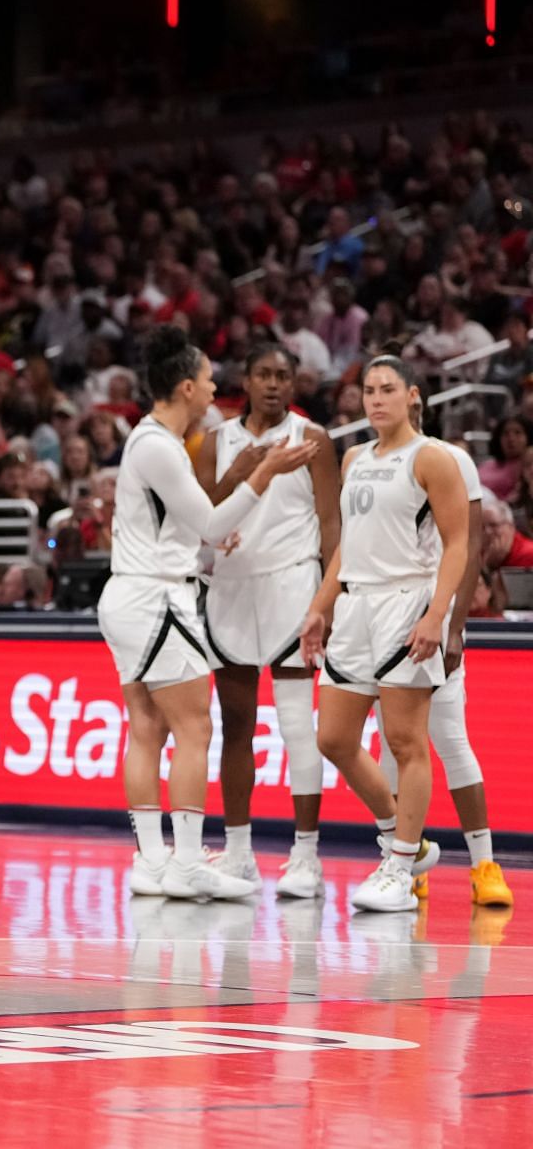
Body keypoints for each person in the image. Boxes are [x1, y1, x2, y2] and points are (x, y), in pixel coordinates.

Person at [101, 325, 314, 901]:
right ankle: (189, 862)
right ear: (186, 387)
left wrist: (211, 541)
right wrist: (262, 474)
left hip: (132, 594)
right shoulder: (158, 447)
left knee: (146, 728)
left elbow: (188, 532)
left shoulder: (151, 442)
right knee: (195, 727)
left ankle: (151, 860)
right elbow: (214, 521)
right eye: (208, 378)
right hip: (155, 599)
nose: (215, 384)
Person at [299, 356, 469, 913]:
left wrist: (435, 615)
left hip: (407, 600)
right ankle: (406, 836)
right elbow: (350, 542)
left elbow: (458, 545)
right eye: (368, 390)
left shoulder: (432, 459)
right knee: (334, 739)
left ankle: (397, 867)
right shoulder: (353, 458)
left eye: (387, 389)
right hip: (356, 604)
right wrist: (321, 607)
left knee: (405, 740)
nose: (376, 399)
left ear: (411, 395)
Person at [191, 344, 340, 898]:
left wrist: (329, 599)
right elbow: (200, 515)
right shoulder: (214, 442)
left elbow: (330, 523)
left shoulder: (314, 439)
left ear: (294, 384)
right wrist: (233, 475)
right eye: (264, 375)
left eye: (283, 375)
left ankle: (306, 857)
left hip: (293, 588)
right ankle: (238, 853)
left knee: (299, 726)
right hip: (230, 591)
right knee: (234, 727)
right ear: (246, 382)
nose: (274, 384)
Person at [371, 415, 512, 908]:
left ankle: (484, 864)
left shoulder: (452, 460)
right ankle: (404, 861)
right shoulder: (368, 465)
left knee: (452, 741)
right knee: (393, 748)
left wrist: (454, 628)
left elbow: (468, 545)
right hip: (382, 621)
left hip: (434, 614)